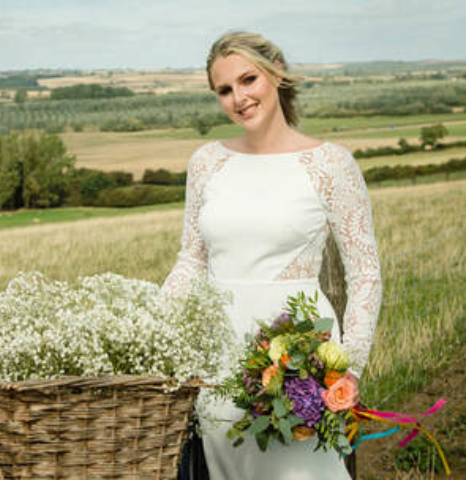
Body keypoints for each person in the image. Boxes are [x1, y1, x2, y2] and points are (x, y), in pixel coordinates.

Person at [162, 31, 382, 480]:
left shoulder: (331, 165)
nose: (238, 98)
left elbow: (365, 274)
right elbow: (191, 261)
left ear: (276, 74)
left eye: (248, 80)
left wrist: (350, 369)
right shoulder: (206, 163)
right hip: (217, 359)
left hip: (296, 365)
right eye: (224, 89)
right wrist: (149, 328)